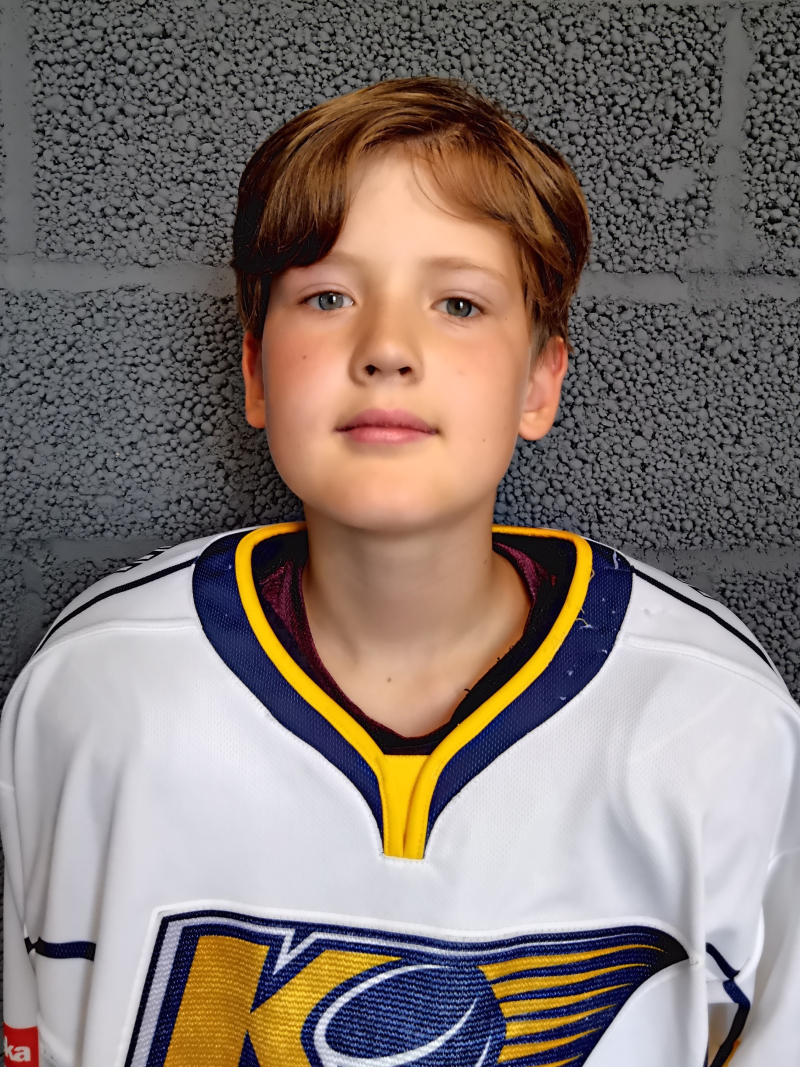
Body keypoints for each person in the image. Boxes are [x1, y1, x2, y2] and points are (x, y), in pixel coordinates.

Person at [2, 77, 798, 1067]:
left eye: (458, 303)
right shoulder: (97, 692)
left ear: (539, 380)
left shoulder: (714, 718)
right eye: (327, 297)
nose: (385, 348)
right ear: (254, 370)